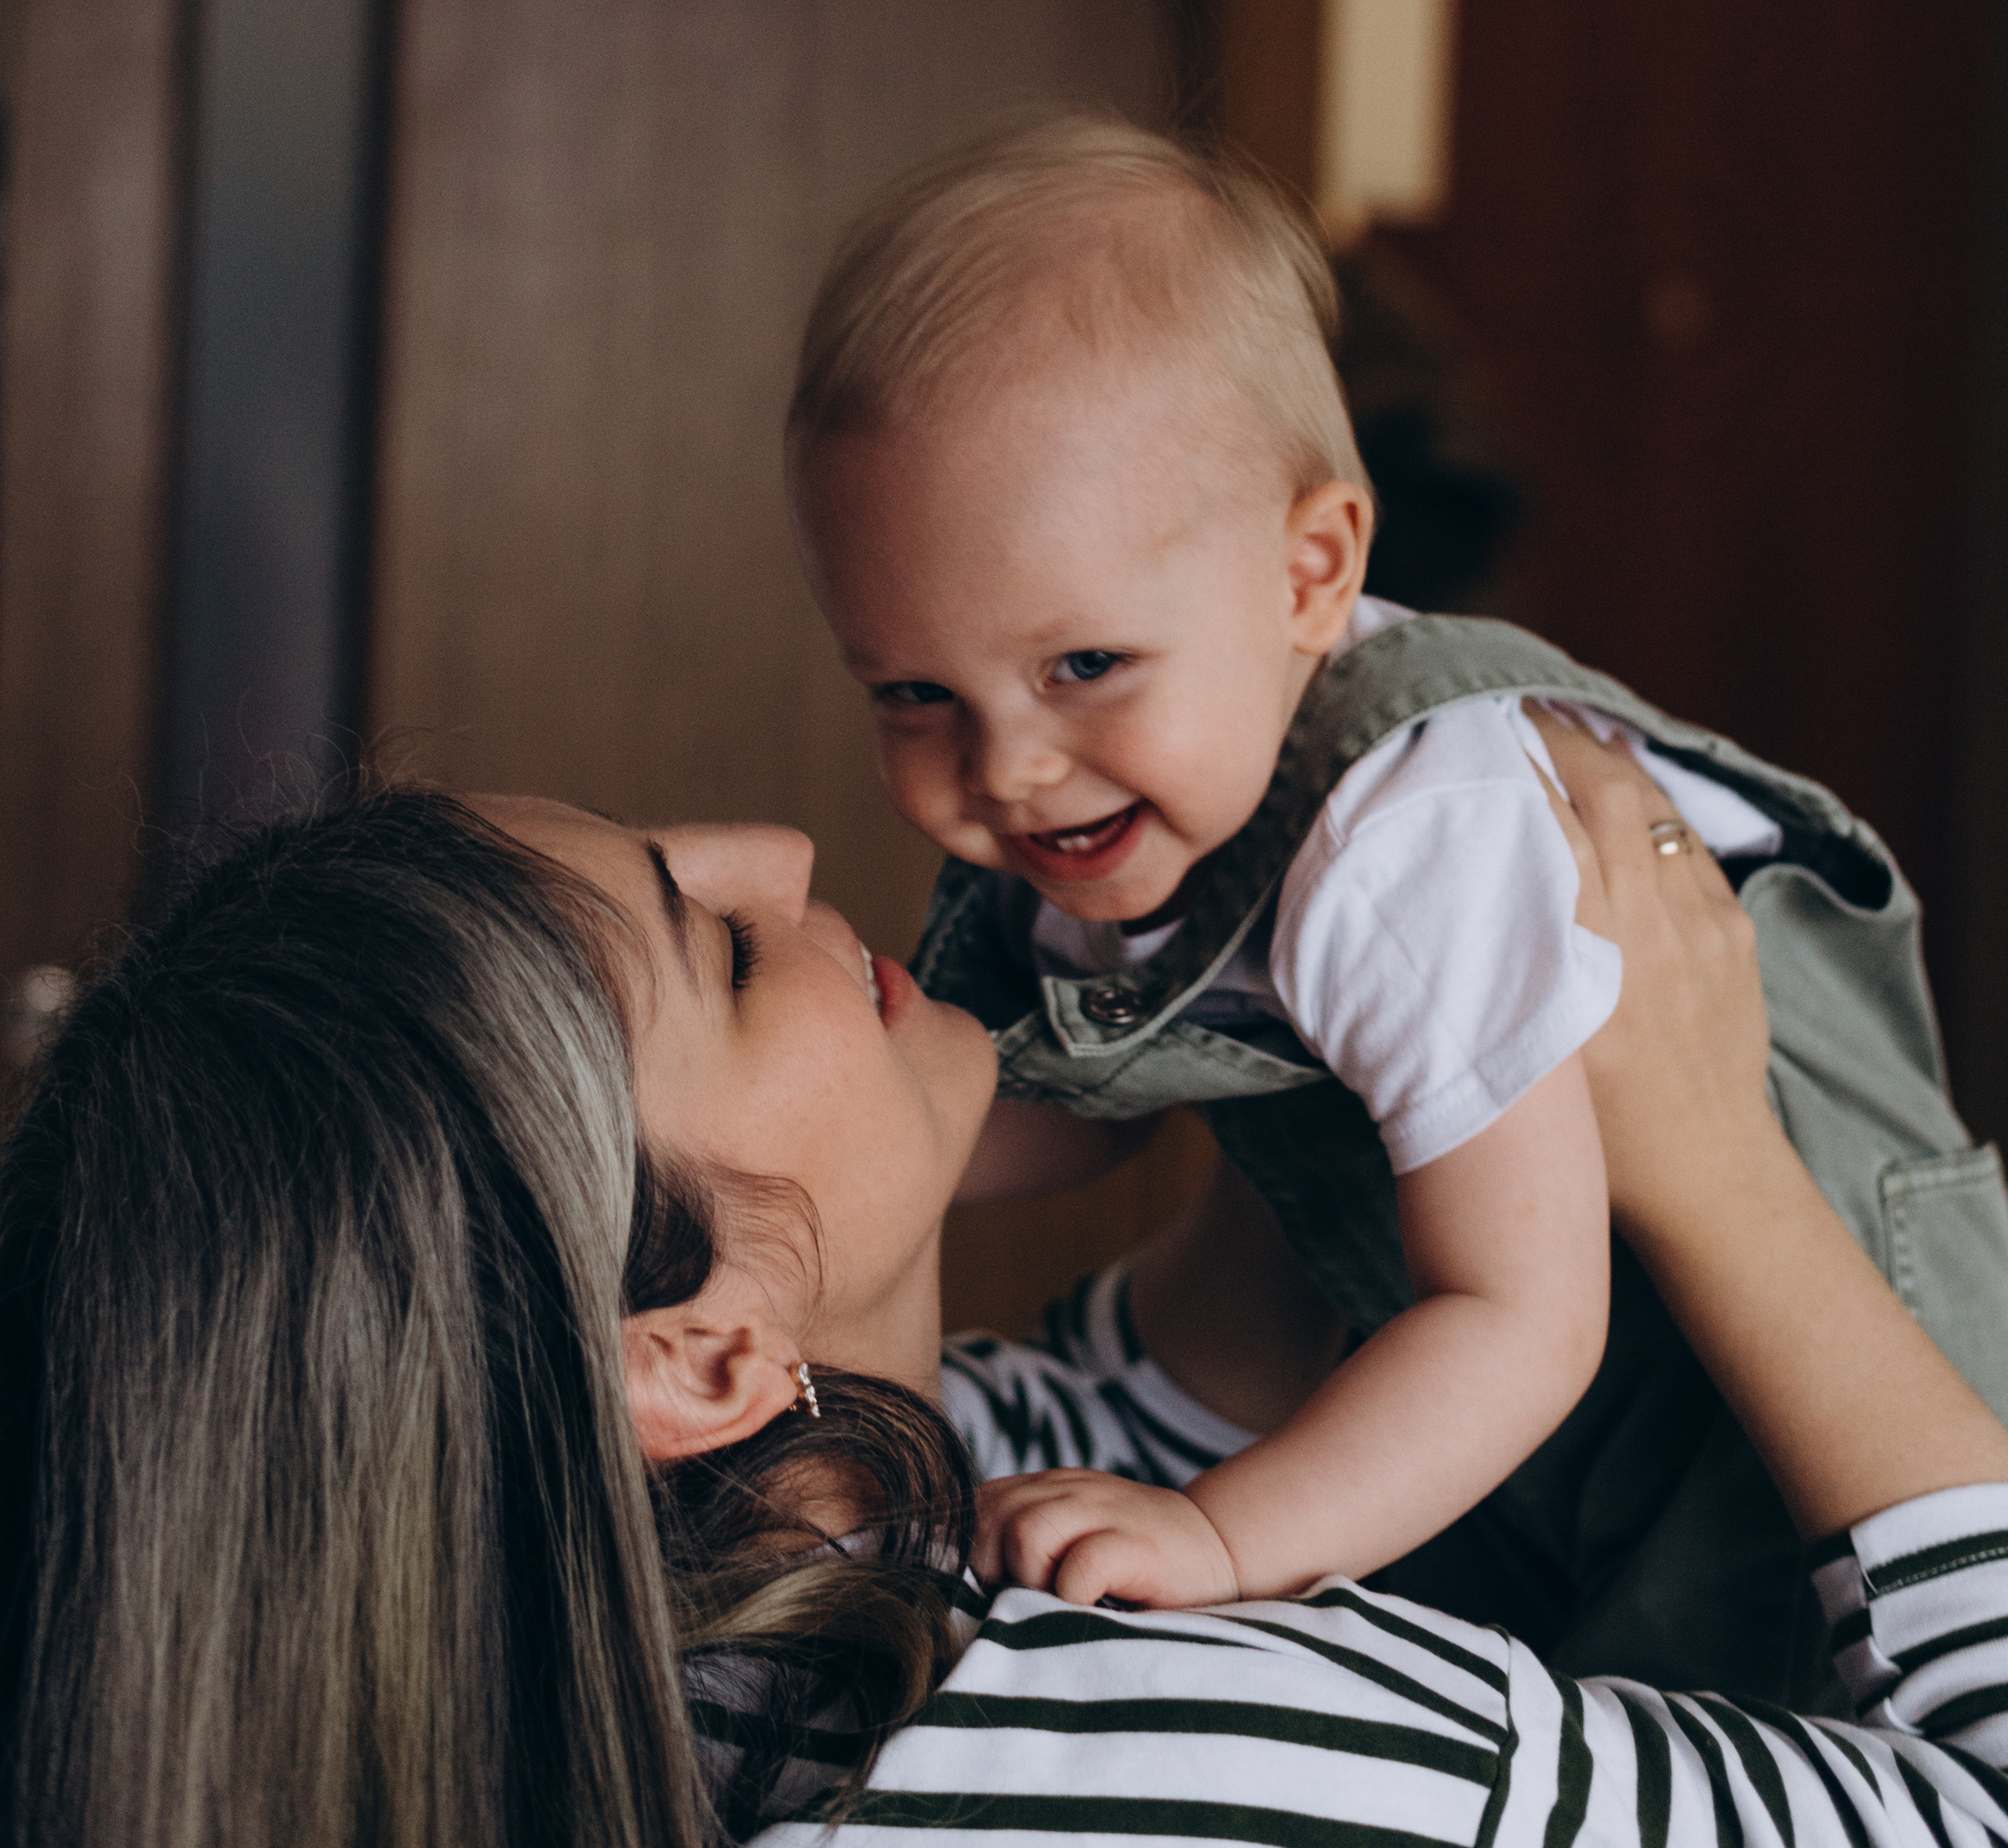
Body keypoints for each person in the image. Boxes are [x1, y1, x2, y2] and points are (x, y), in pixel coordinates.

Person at [5, 733, 2008, 1848]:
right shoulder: (1157, 1757)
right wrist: (1718, 1177)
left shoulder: (733, 1647)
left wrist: (1280, 990)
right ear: (697, 1349)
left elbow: (1184, 1405)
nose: (786, 846)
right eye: (709, 949)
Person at [783, 112, 2008, 1690]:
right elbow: (1094, 1103)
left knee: (1757, 1674)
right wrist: (806, 1162)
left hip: (1787, 1332)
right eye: (909, 690)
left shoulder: (1406, 845)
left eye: (1082, 666)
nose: (1007, 769)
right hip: (1525, 1346)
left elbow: (1516, 1319)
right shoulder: (1118, 787)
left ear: (1310, 572)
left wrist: (1218, 1541)